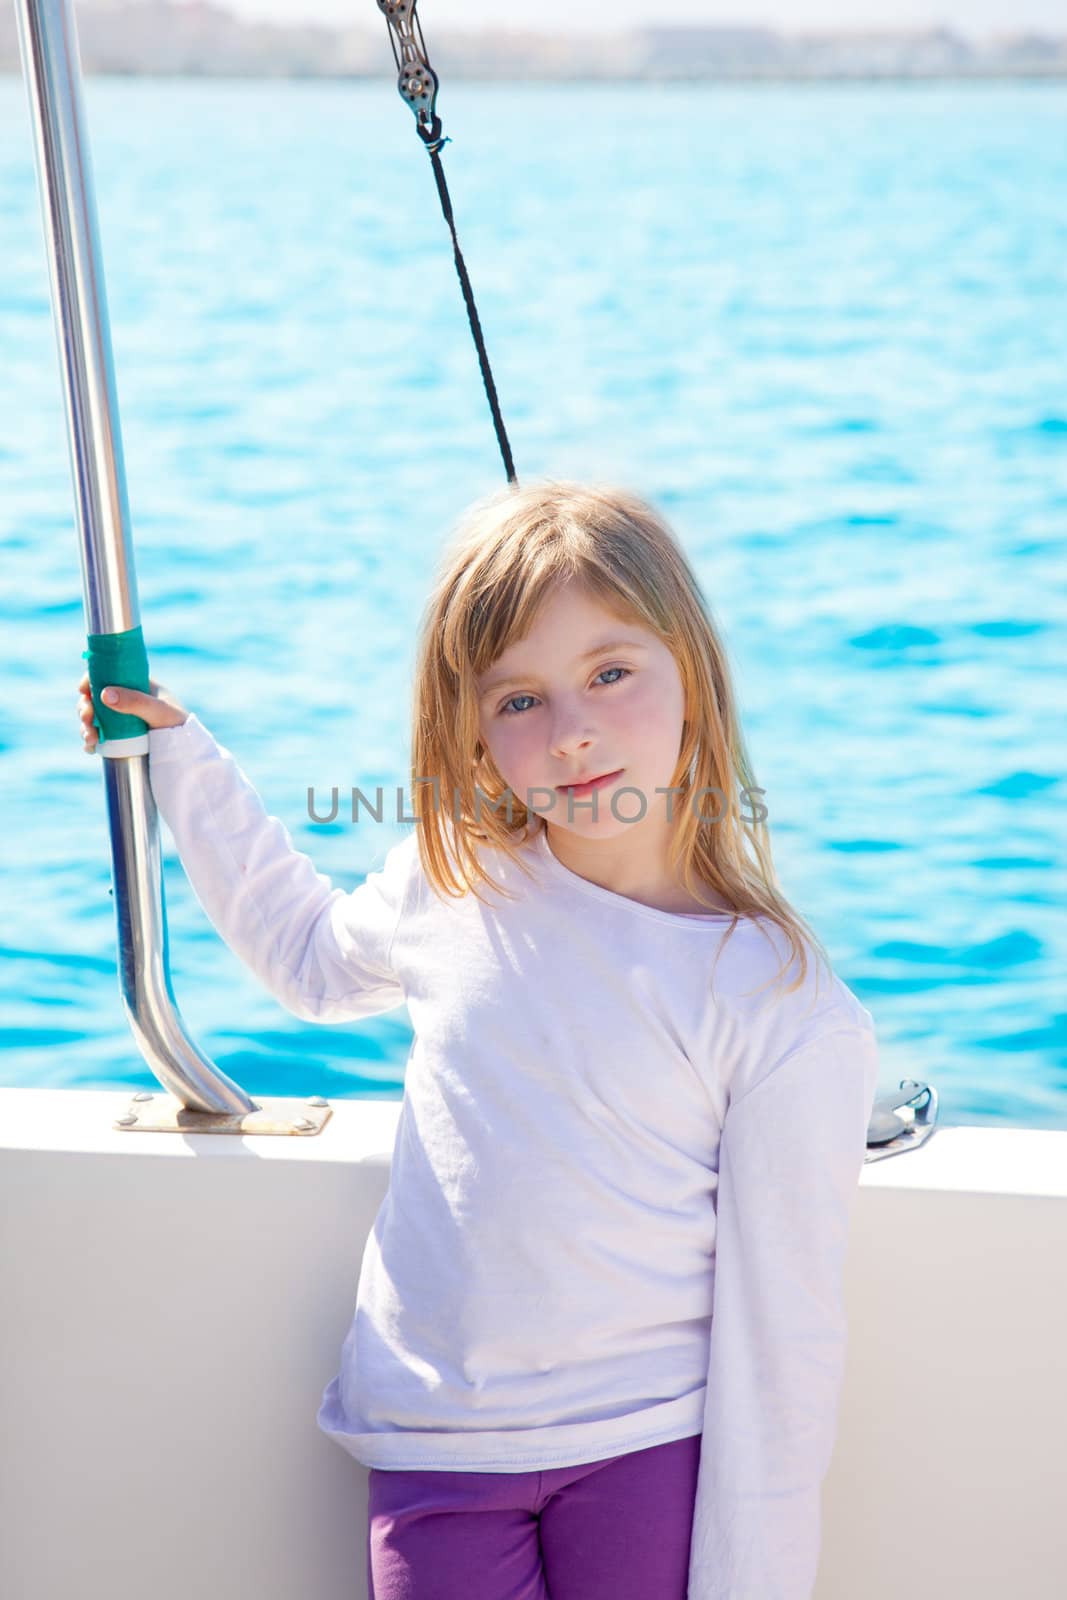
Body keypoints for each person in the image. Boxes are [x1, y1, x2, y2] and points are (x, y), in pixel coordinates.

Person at [76, 479, 880, 1600]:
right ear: (469, 730)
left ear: (691, 673)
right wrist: (179, 758)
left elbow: (781, 1338)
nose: (571, 731)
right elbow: (305, 956)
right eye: (518, 701)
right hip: (435, 1445)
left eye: (609, 673)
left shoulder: (778, 1003)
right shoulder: (454, 880)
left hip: (649, 1444)